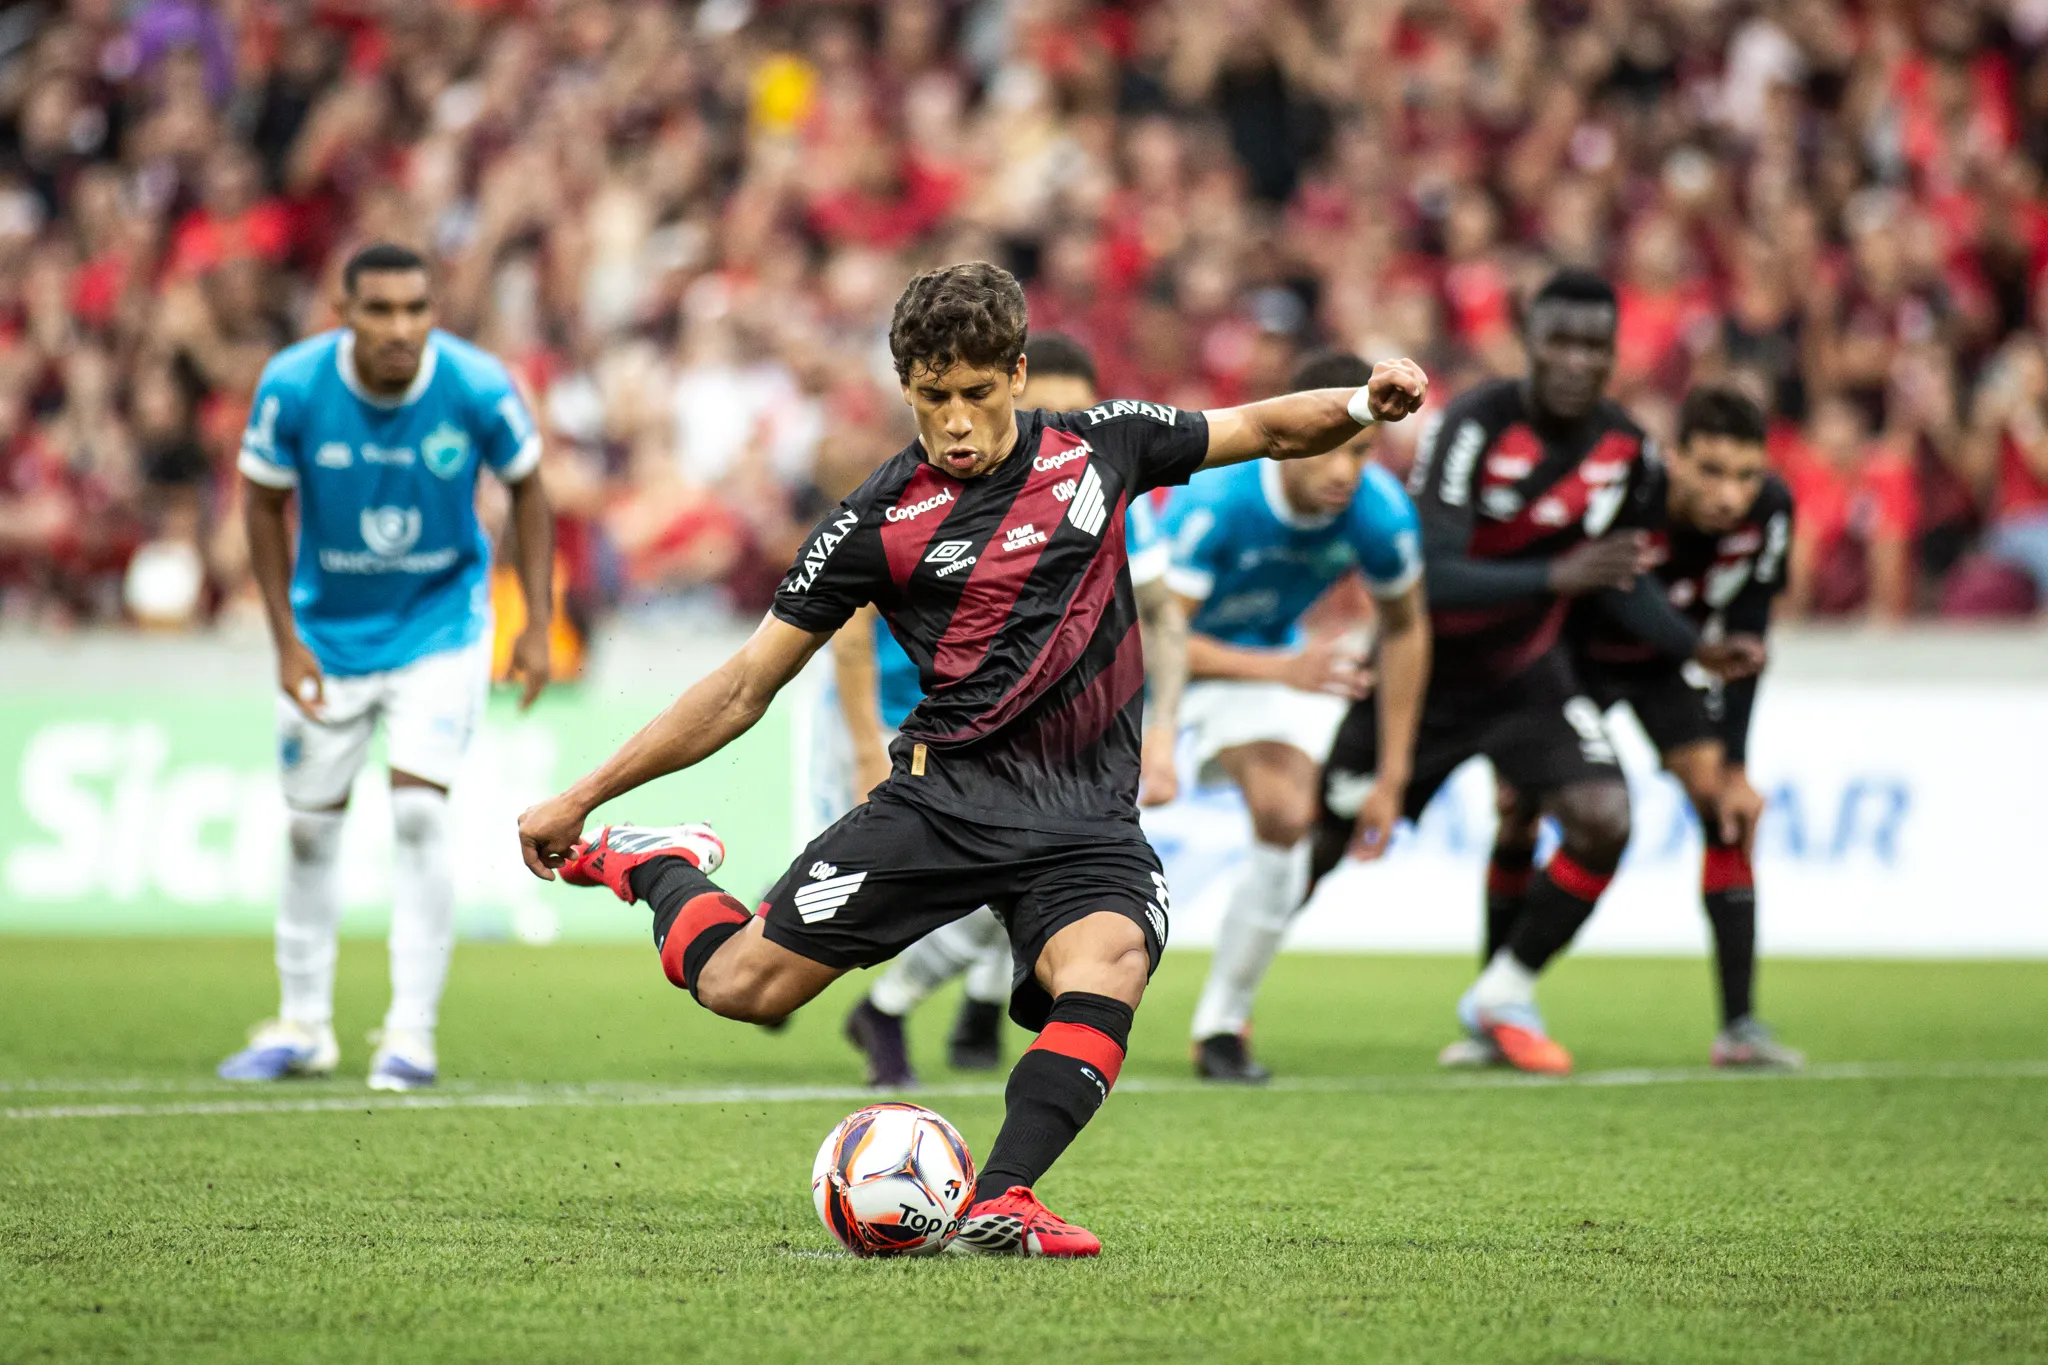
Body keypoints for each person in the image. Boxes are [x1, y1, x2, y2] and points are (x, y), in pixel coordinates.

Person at [516, 261, 1427, 1257]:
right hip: (944, 804)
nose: (954, 421)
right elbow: (743, 686)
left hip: (1084, 817)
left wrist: (1355, 403)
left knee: (1109, 958)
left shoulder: (1097, 448)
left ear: (1017, 375)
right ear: (905, 388)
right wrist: (586, 795)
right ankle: (652, 861)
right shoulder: (871, 524)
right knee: (741, 988)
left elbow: (1262, 430)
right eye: (932, 398)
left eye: (977, 395)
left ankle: (1004, 1195)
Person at [1307, 269, 1757, 1076]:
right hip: (1425, 673)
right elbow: (1431, 572)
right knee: (1319, 840)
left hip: (1526, 677)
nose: (1579, 361)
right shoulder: (1473, 423)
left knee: (1604, 814)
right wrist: (1558, 576)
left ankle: (1503, 990)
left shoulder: (1625, 446)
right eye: (1562, 341)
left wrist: (1692, 647)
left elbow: (1620, 574)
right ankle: (1221, 1013)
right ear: (1530, 344)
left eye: (1596, 345)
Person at [219, 242, 554, 1091]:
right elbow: (259, 506)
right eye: (381, 310)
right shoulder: (293, 385)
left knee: (417, 817)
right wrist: (284, 641)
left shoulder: (476, 384)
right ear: (345, 313)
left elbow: (531, 486)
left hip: (441, 628)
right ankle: (303, 1024)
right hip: (325, 635)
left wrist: (538, 621)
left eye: (416, 308)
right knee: (308, 827)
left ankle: (410, 1035)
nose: (402, 327)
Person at [837, 332, 1192, 1086]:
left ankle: (928, 1005)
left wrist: (1160, 733)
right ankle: (896, 997)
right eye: (1047, 413)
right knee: (944, 882)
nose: (1065, 434)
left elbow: (1162, 615)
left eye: (1079, 414)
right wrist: (866, 744)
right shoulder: (930, 494)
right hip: (903, 718)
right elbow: (849, 623)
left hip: (1028, 736)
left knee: (1035, 872)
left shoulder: (1108, 487)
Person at [1484, 385, 1802, 1068]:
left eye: (1747, 474)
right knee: (1518, 811)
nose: (1730, 493)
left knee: (1724, 806)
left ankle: (1739, 1027)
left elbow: (1749, 637)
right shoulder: (1634, 487)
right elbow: (1622, 590)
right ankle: (1494, 1011)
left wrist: (1739, 764)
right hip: (1571, 659)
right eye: (1712, 470)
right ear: (1675, 458)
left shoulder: (1772, 513)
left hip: (1662, 665)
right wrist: (1694, 647)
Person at [1164, 349, 1431, 1083]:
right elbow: (1153, 638)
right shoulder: (1218, 497)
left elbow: (1407, 628)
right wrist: (1284, 668)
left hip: (1252, 670)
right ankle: (950, 995)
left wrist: (1394, 772)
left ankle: (1222, 1023)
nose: (1346, 470)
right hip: (1142, 667)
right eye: (1336, 448)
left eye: (1366, 450)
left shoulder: (1379, 511)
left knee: (1287, 814)